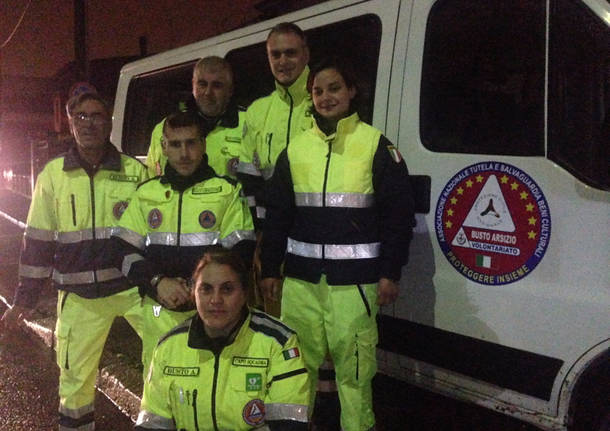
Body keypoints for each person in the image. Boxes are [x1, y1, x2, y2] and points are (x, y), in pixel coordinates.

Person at [260, 57, 416, 431]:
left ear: (351, 92)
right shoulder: (297, 150)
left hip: (355, 285)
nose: (326, 97)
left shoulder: (376, 146)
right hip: (301, 283)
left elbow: (399, 215)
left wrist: (390, 272)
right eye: (317, 90)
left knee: (355, 374)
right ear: (310, 98)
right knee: (295, 371)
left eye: (334, 88)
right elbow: (278, 215)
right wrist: (269, 269)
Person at [0, 92, 147, 430]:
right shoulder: (54, 175)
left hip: (132, 290)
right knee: (75, 385)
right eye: (80, 116)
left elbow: (152, 234)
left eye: (96, 115)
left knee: (166, 360)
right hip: (80, 298)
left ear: (109, 120)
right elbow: (38, 240)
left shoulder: (134, 171)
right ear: (70, 122)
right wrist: (25, 297)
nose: (88, 123)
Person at [111, 110, 255, 375]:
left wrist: (196, 288)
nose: (184, 153)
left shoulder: (227, 191)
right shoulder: (147, 194)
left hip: (213, 313)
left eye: (191, 142)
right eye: (175, 144)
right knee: (158, 396)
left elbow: (241, 253)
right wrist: (157, 282)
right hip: (158, 313)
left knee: (213, 390)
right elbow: (121, 251)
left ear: (203, 144)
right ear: (163, 147)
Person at [135, 247, 310, 430]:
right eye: (206, 289)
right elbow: (152, 425)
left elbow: (288, 426)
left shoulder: (279, 344)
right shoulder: (169, 347)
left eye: (227, 289)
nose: (215, 300)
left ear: (244, 294)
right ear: (194, 294)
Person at [237, 22, 313, 227]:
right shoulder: (257, 111)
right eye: (275, 54)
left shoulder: (323, 103)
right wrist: (259, 230)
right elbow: (248, 180)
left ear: (306, 54)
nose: (283, 61)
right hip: (271, 228)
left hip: (315, 227)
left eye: (290, 53)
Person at [146, 56, 244, 179]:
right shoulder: (163, 129)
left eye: (217, 85)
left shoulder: (252, 126)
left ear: (229, 90)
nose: (208, 93)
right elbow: (152, 180)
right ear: (193, 85)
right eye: (202, 84)